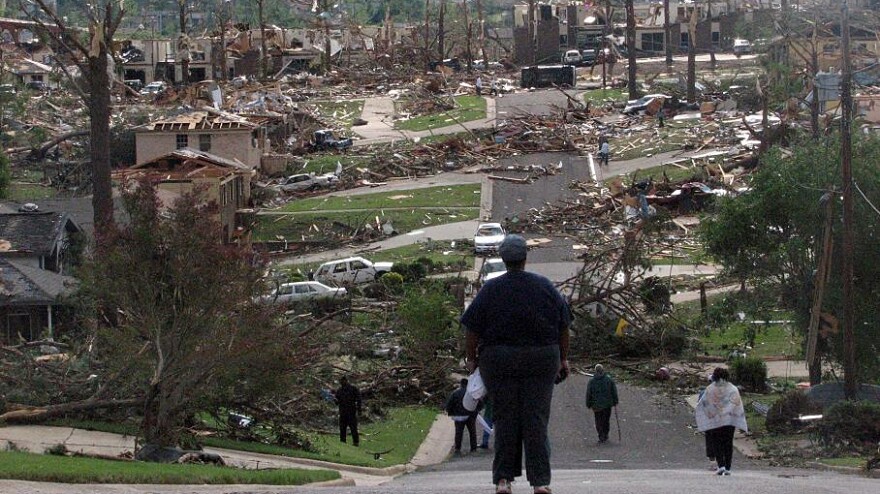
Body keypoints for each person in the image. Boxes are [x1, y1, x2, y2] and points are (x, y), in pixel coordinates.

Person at [461, 234, 572, 494]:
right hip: (541, 358)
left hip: (499, 361)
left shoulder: (491, 289)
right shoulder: (544, 286)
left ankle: (503, 480)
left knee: (505, 418)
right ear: (525, 258)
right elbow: (564, 326)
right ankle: (541, 482)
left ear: (503, 258)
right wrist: (562, 358)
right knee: (536, 419)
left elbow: (471, 328)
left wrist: (472, 360)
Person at [695, 367, 748, 476]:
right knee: (728, 443)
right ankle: (728, 467)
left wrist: (710, 414)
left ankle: (721, 466)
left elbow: (703, 404)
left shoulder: (710, 389)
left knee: (717, 443)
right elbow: (737, 405)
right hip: (729, 421)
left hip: (716, 422)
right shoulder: (733, 389)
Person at [584, 364, 619, 444]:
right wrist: (615, 401)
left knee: (598, 420)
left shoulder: (592, 381)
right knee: (606, 420)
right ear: (603, 370)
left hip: (596, 405)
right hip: (607, 404)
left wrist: (588, 404)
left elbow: (589, 393)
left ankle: (601, 435)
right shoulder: (609, 380)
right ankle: (605, 434)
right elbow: (614, 391)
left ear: (595, 371)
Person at [445, 378, 479, 455]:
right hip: (470, 415)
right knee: (472, 432)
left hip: (458, 416)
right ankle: (473, 448)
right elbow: (478, 403)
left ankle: (457, 449)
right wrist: (475, 413)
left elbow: (449, 405)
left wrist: (451, 412)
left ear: (461, 384)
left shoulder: (455, 393)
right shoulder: (471, 393)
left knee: (459, 432)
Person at [335, 376, 362, 446]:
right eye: (340, 381)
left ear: (346, 381)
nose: (341, 383)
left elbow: (359, 399)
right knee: (342, 428)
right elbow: (337, 401)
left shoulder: (353, 389)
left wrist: (359, 409)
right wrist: (335, 400)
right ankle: (343, 441)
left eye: (342, 381)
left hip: (351, 411)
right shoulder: (339, 390)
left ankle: (355, 442)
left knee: (353, 428)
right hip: (342, 412)